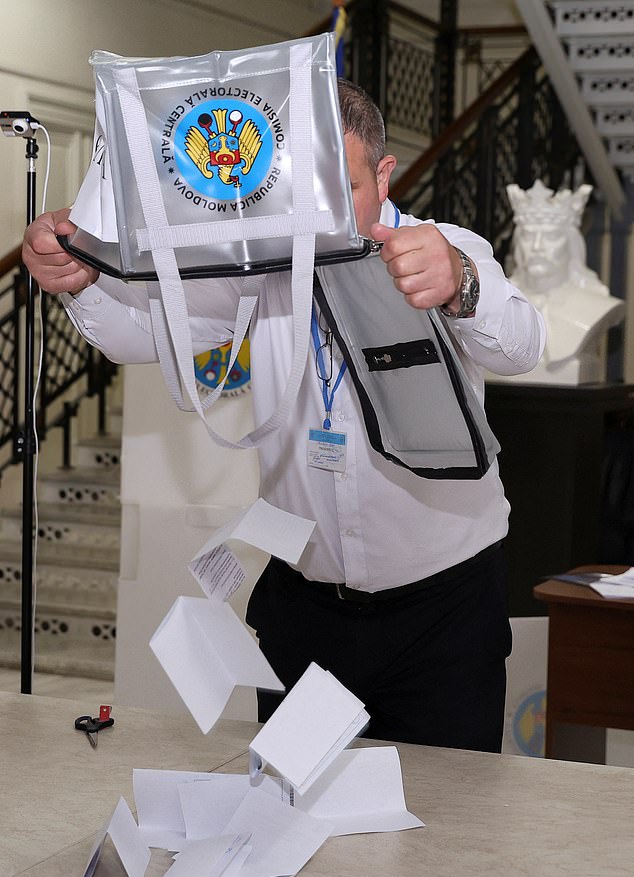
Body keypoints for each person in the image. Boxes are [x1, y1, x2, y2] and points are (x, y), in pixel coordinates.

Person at [22, 79, 546, 753]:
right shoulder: (257, 273)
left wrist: (462, 284)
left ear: (383, 176)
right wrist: (85, 276)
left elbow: (523, 342)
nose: (320, 217)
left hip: (442, 616)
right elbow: (141, 332)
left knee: (446, 835)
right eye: (303, 194)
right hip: (307, 615)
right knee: (290, 827)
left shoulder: (438, 250)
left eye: (343, 189)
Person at [503, 179, 624, 385]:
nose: (537, 247)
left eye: (551, 236)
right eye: (529, 236)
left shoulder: (595, 305)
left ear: (572, 245)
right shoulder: (498, 301)